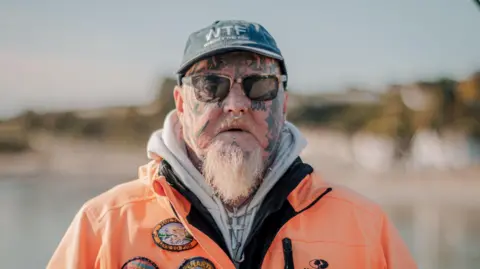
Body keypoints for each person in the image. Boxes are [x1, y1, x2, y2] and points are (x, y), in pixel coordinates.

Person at [47, 20, 417, 269]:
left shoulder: (366, 228)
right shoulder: (103, 227)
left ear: (283, 104)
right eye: (211, 86)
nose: (237, 104)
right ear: (180, 104)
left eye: (259, 84)